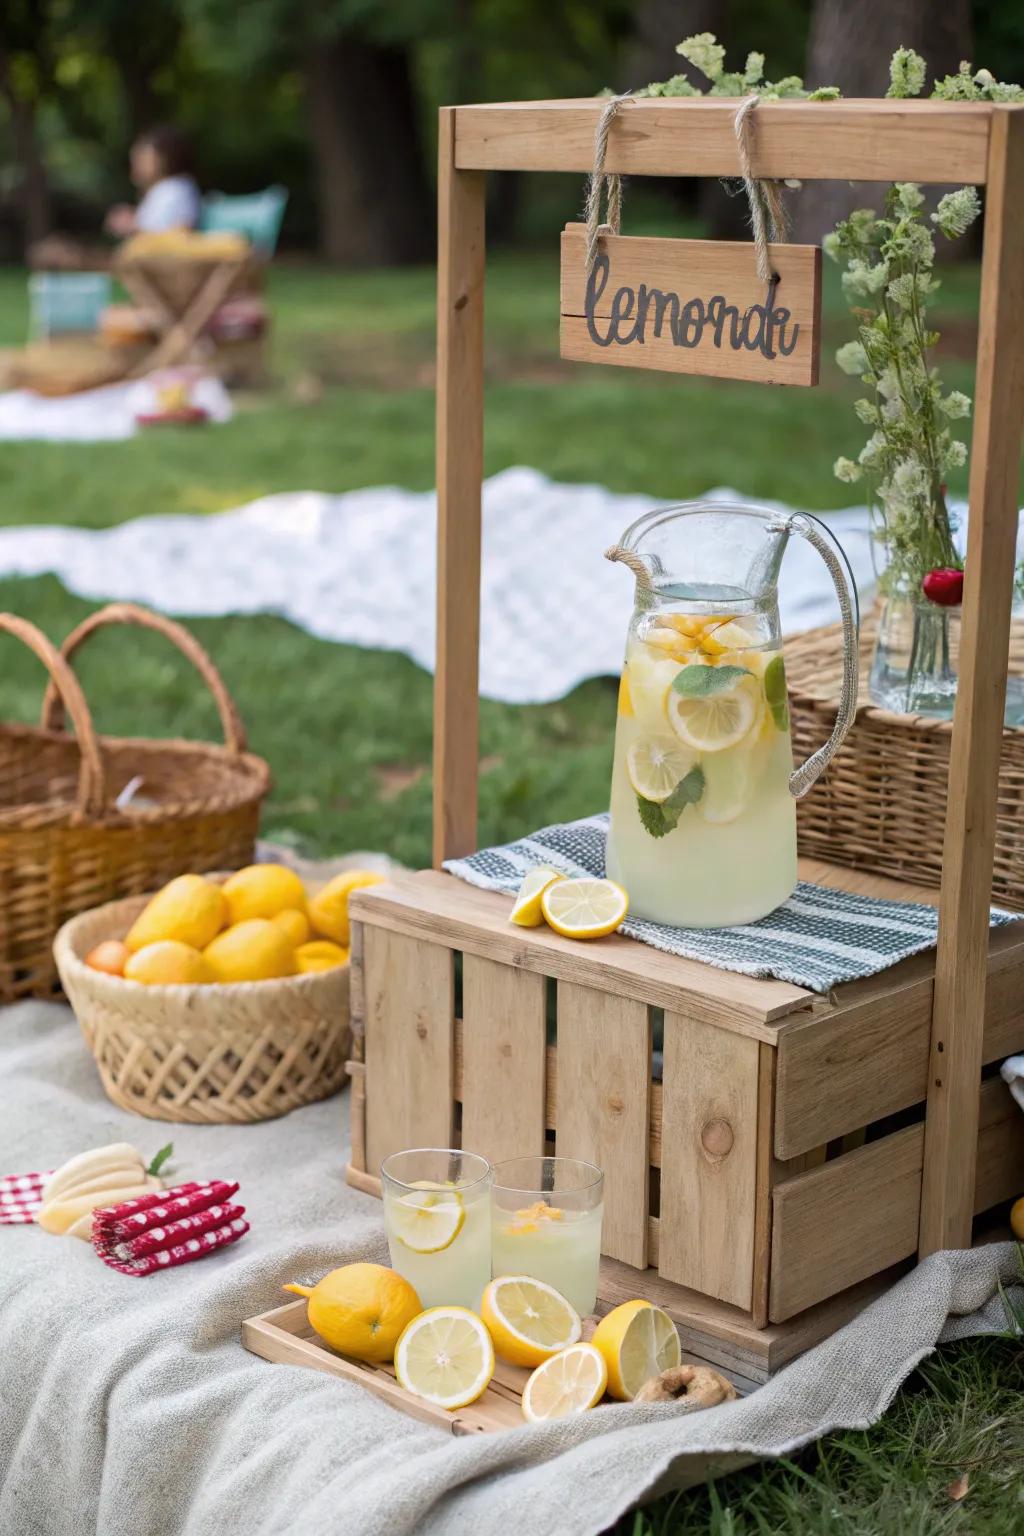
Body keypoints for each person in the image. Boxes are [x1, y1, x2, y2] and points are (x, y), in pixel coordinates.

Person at [105, 124, 201, 237]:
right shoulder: (165, 189)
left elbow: (171, 232)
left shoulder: (175, 188)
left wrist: (131, 226)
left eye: (143, 157)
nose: (135, 163)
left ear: (164, 159)